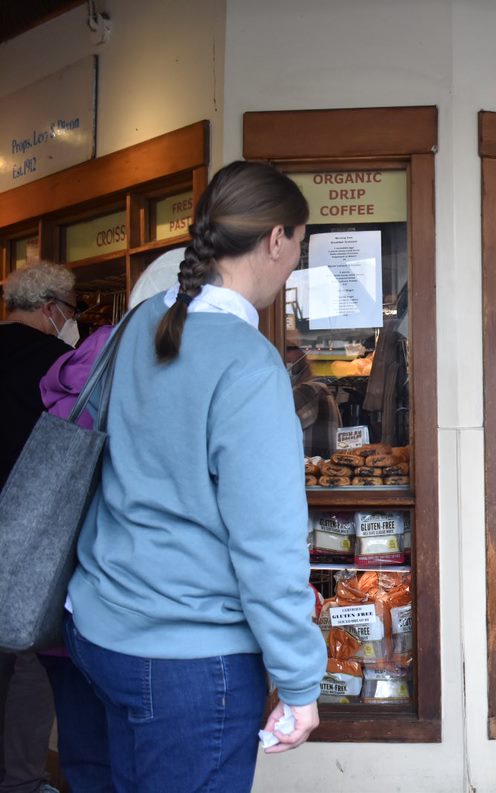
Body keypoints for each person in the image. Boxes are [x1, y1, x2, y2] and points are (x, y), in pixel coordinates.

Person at [64, 160, 327, 792]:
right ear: (275, 239)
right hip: (187, 661)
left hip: (98, 625)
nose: (294, 262)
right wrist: (298, 683)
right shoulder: (250, 366)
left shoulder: (138, 324)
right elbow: (268, 545)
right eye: (298, 244)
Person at [0, 262, 79, 793]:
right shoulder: (62, 365)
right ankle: (22, 780)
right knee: (28, 655)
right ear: (50, 307)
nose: (72, 321)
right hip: (30, 526)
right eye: (71, 310)